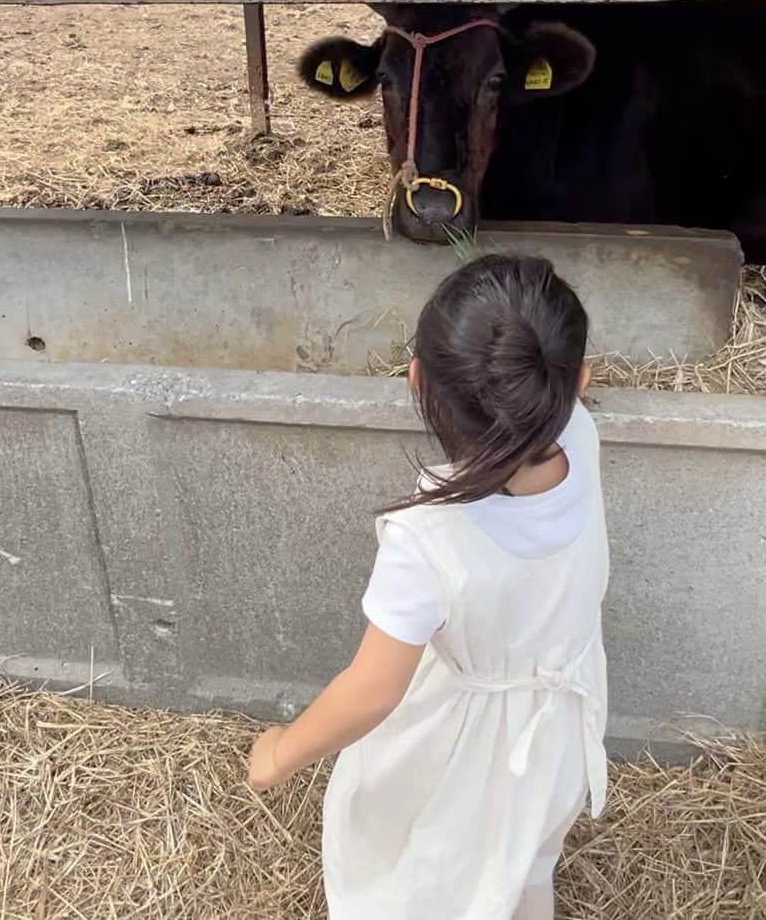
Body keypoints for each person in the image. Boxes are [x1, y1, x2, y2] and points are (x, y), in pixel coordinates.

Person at [248, 254, 609, 919]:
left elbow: (373, 688)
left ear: (416, 381)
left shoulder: (428, 537)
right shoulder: (580, 437)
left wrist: (280, 752)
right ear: (578, 381)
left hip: (464, 746)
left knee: (433, 867)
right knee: (524, 845)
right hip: (559, 722)